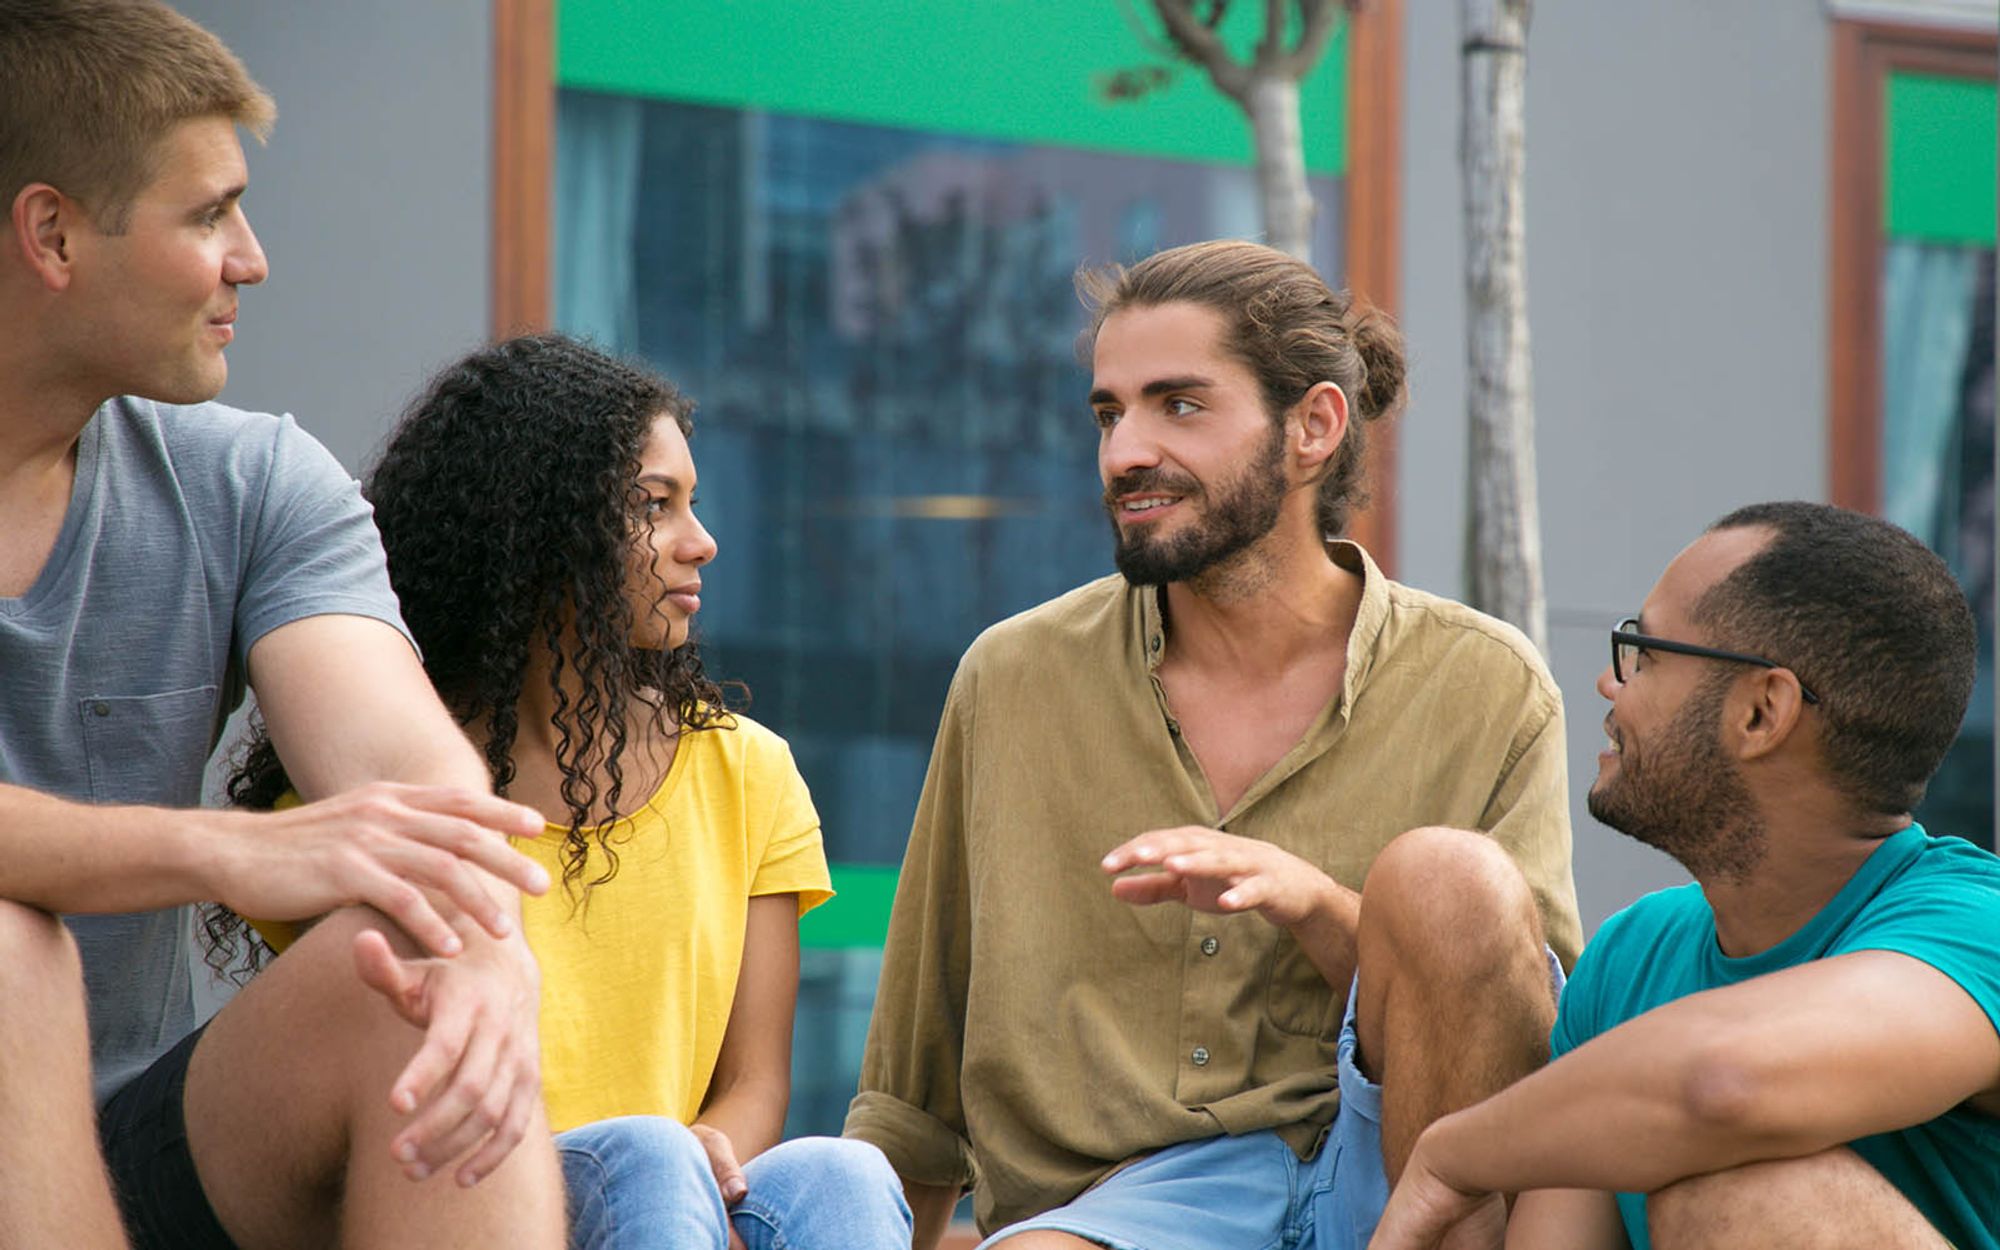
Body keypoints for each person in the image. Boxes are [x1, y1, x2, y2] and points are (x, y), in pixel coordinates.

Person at [842, 239, 1584, 1250]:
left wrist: (1316, 905)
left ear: (1313, 425)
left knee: (1449, 880)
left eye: (1177, 404)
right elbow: (913, 1083)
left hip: (1407, 1192)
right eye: (1109, 412)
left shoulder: (1486, 686)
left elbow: (1521, 1038)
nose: (1123, 451)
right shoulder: (1012, 679)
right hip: (1118, 1207)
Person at [0, 2, 569, 1247]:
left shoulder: (253, 483)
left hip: (128, 1144)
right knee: (8, 952)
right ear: (50, 233)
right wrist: (226, 851)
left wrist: (483, 949)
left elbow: (422, 806)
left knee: (415, 969)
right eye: (207, 215)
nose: (250, 258)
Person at [227, 333, 914, 1250]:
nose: (700, 543)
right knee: (645, 1155)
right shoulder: (377, 796)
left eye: (693, 504)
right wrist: (663, 1164)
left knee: (842, 1170)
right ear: (538, 529)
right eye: (653, 507)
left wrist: (710, 1158)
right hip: (476, 1204)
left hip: (681, 1195)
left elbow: (755, 1085)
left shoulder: (748, 772)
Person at [1369, 502, 2000, 1250]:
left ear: (1762, 711)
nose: (1610, 684)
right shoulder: (1634, 956)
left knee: (1737, 1182)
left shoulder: (1972, 926)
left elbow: (1722, 1086)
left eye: (1646, 653)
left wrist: (1451, 1157)